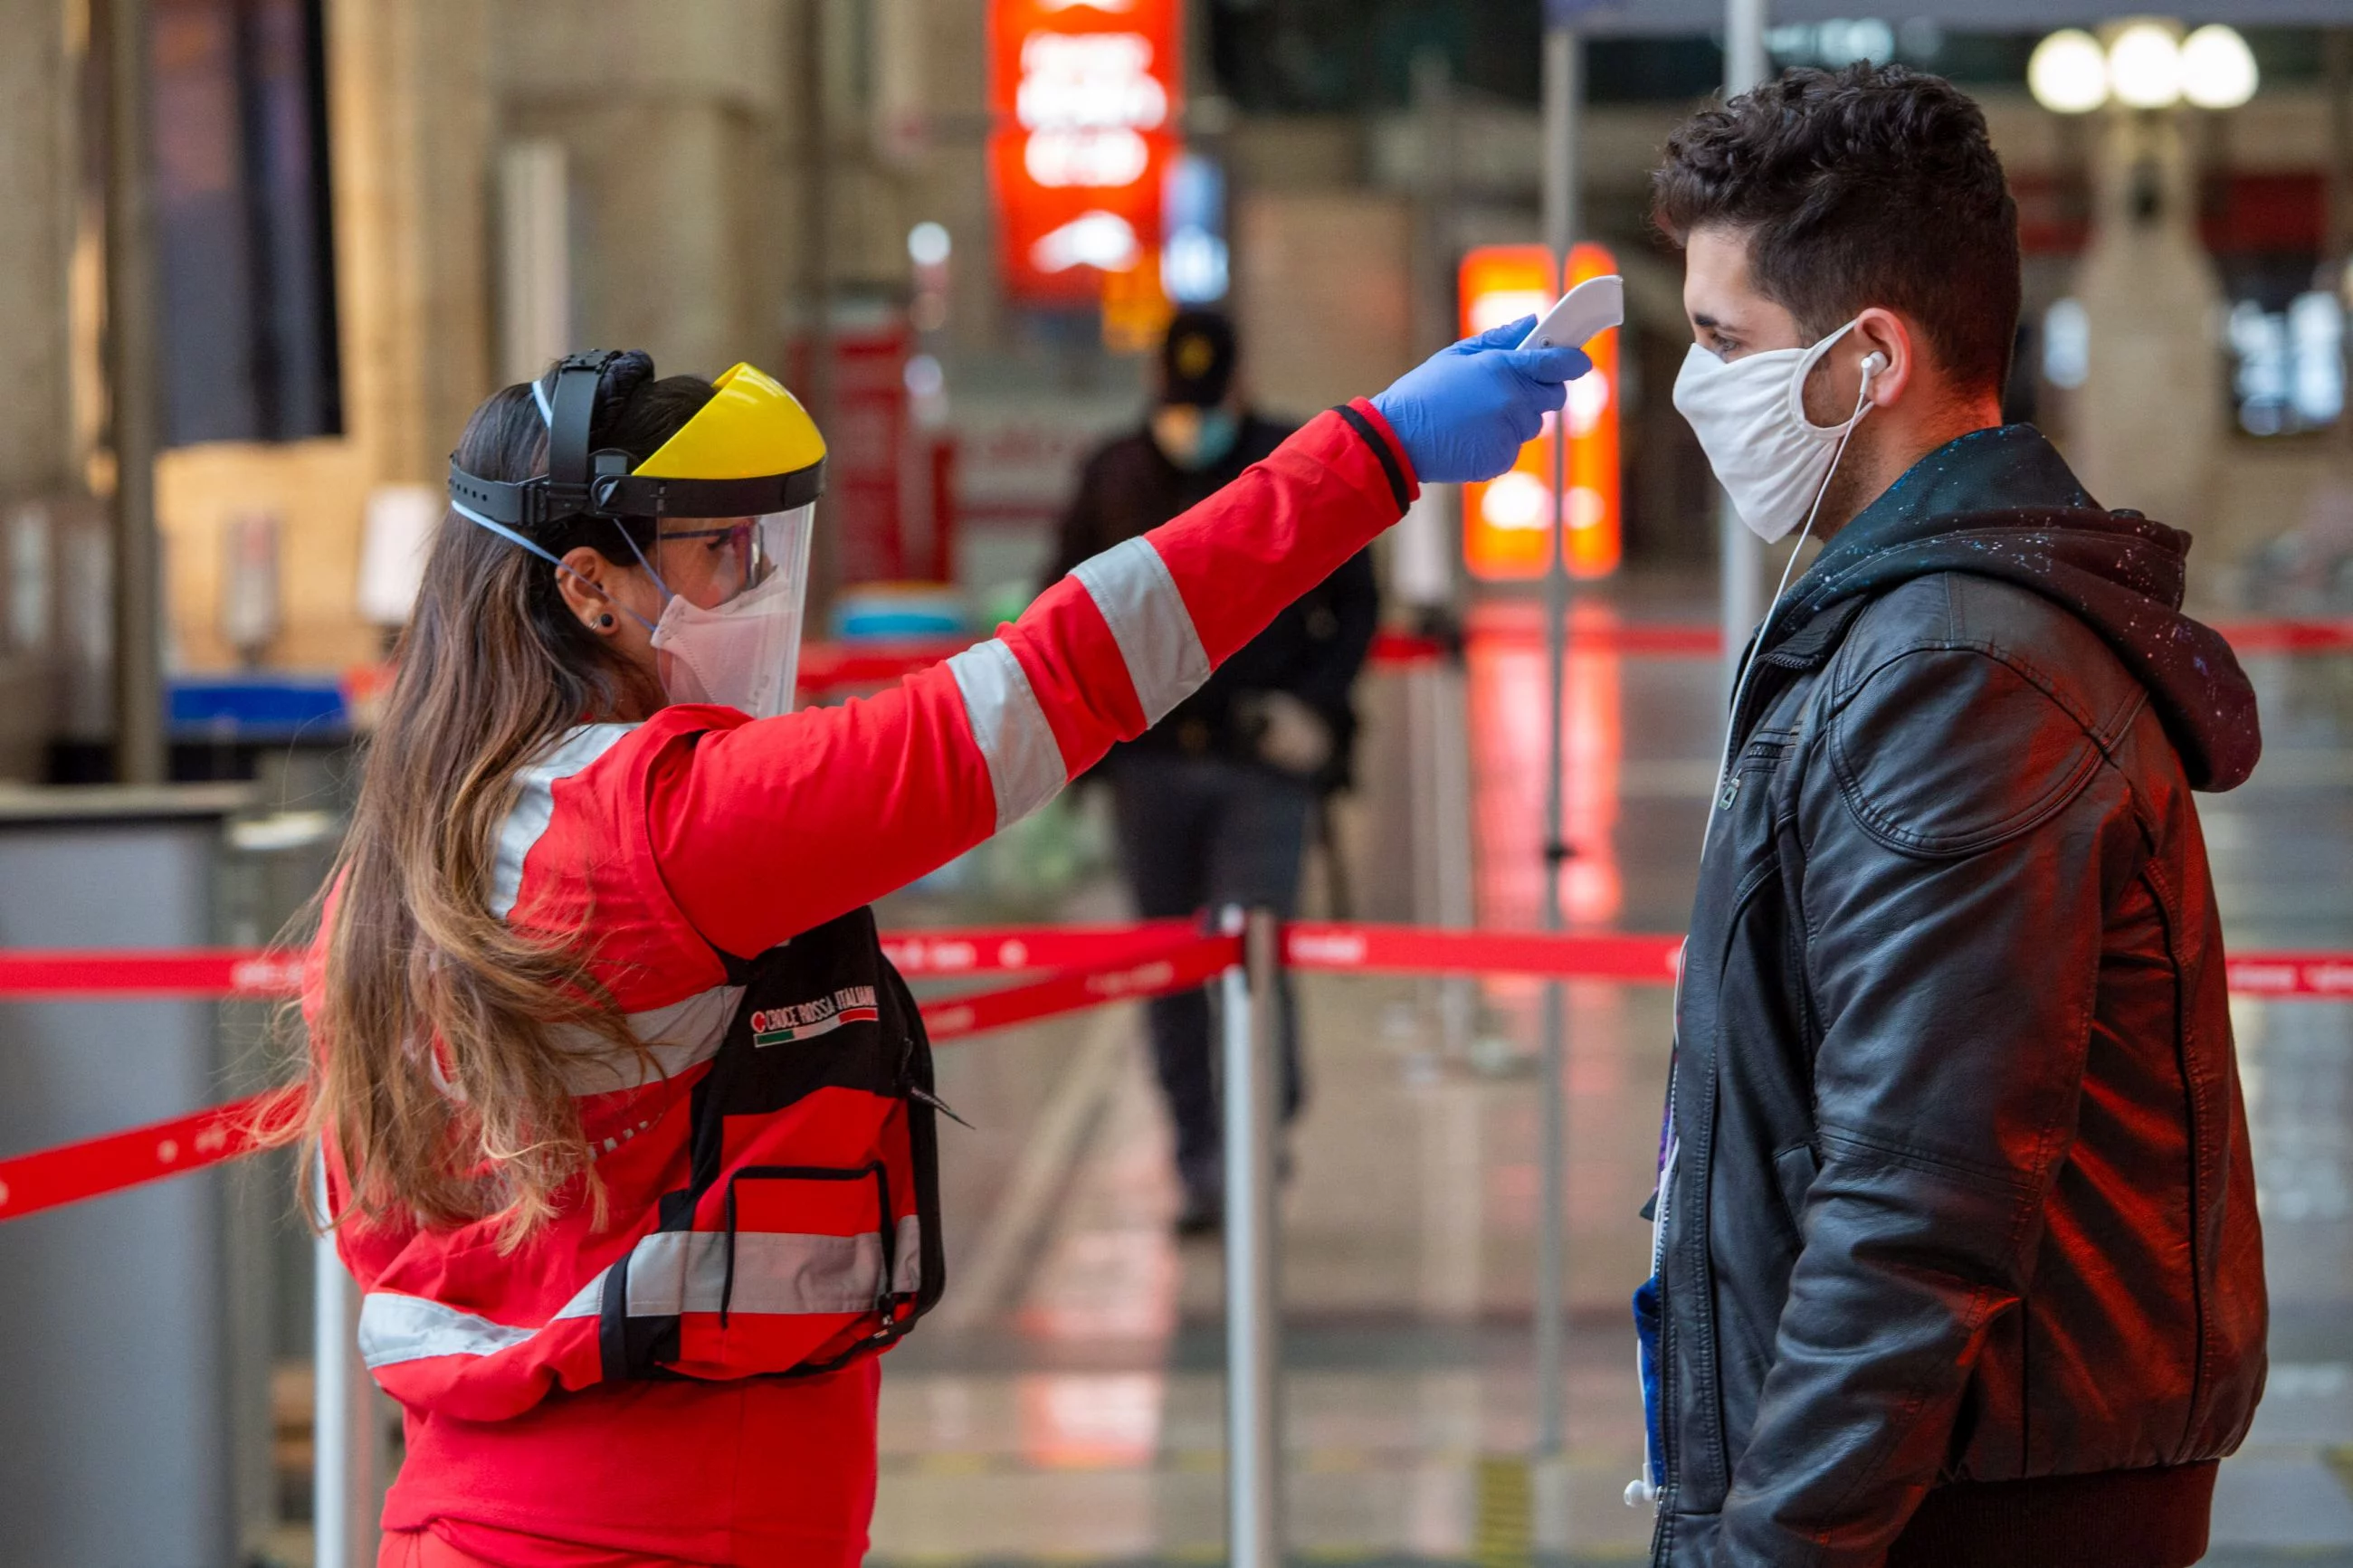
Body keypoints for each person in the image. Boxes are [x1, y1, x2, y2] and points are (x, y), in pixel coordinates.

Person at [293, 330, 1588, 1568]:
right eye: (714, 551)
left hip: (476, 1514)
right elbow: (1061, 677)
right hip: (657, 1529)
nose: (750, 583)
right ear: (588, 588)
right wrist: (1370, 457)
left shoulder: (411, 855)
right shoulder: (661, 826)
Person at [1632, 64, 2266, 1568]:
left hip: (1958, 1511)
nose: (1693, 384)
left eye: (1723, 341)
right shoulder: (1921, 623)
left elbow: (1918, 1197)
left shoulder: (1956, 669)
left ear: (1870, 358)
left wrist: (1764, 1549)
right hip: (1952, 1483)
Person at [1047, 309, 1379, 1232]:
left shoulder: (1293, 465)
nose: (1190, 420)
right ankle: (1198, 1152)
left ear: (1237, 385)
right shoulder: (1114, 474)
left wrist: (1314, 707)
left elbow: (1352, 604)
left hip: (1259, 759)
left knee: (1249, 954)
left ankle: (1252, 1138)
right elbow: (1061, 606)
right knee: (1168, 969)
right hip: (1148, 762)